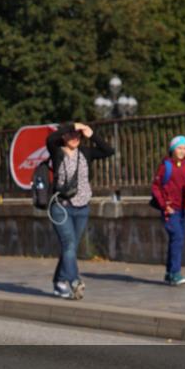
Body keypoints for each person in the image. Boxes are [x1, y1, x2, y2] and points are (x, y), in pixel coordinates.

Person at [45, 122, 114, 300]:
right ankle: (74, 281)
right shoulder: (56, 151)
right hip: (61, 207)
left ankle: (59, 282)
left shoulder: (85, 152)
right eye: (70, 134)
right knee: (68, 244)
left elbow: (109, 151)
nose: (75, 138)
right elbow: (50, 138)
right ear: (63, 136)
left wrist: (92, 135)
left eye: (77, 135)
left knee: (71, 247)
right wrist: (71, 125)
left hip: (82, 207)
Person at [151, 135, 185, 286]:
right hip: (170, 209)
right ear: (172, 149)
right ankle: (175, 273)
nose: (182, 151)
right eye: (179, 148)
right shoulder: (166, 165)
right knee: (178, 238)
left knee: (176, 240)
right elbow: (156, 187)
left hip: (183, 208)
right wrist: (164, 205)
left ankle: (170, 273)